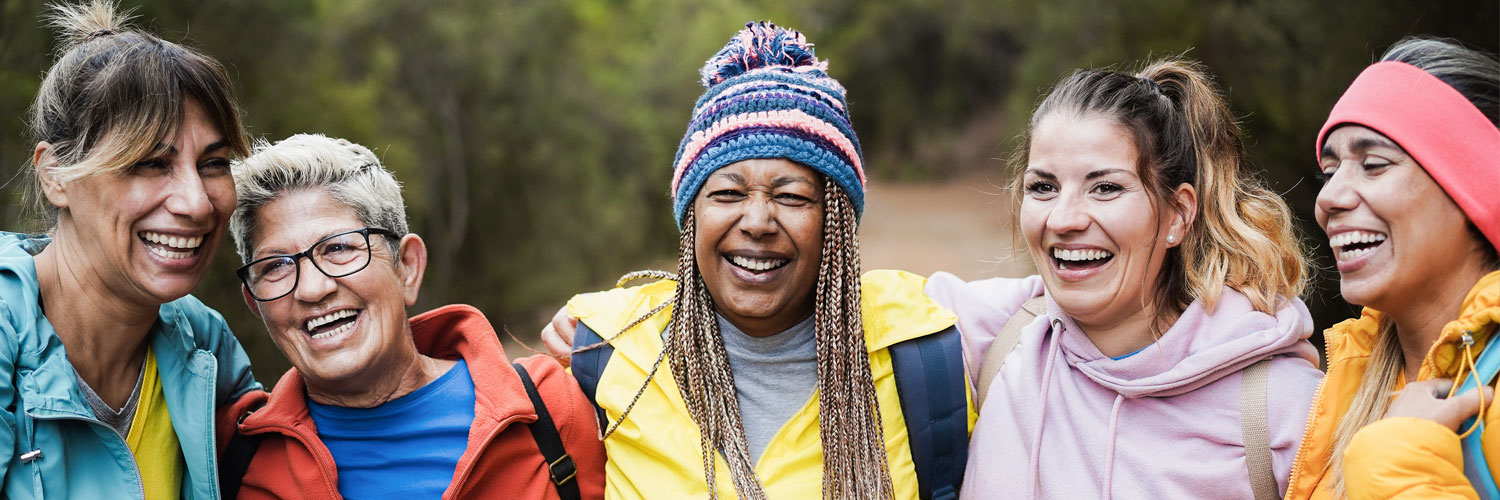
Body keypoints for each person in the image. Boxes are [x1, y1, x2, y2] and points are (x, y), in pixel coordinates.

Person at [552, 22, 970, 500]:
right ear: (691, 217)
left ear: (834, 222)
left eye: (791, 196)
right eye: (728, 193)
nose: (757, 221)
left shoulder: (923, 355)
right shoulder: (606, 355)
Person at [920, 58, 1323, 499]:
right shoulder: (992, 335)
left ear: (1178, 214)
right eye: (1043, 187)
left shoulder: (1283, 410)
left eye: (1106, 187)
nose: (1064, 218)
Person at [214, 134, 605, 500]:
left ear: (407, 267)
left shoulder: (550, 409)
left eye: (338, 248)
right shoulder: (230, 456)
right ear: (255, 301)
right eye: (276, 265)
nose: (313, 289)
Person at [0, 1, 261, 498]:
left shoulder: (205, 345)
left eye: (213, 163)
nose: (197, 203)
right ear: (55, 174)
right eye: (148, 163)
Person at [1283, 37, 1500, 500]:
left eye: (1374, 164)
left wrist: (1396, 463)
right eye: (1330, 170)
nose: (1328, 198)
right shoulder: (1342, 386)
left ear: (1473, 192)